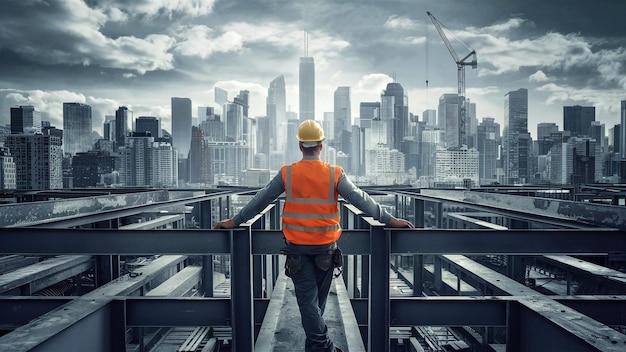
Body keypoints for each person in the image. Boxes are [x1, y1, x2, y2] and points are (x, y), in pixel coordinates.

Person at [214, 119, 414, 352]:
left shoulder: (288, 173)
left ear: (300, 146)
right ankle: (324, 348)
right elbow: (361, 199)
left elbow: (262, 199)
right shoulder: (334, 173)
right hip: (325, 249)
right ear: (321, 145)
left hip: (297, 249)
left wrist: (234, 221)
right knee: (313, 305)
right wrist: (390, 219)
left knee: (310, 305)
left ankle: (317, 348)